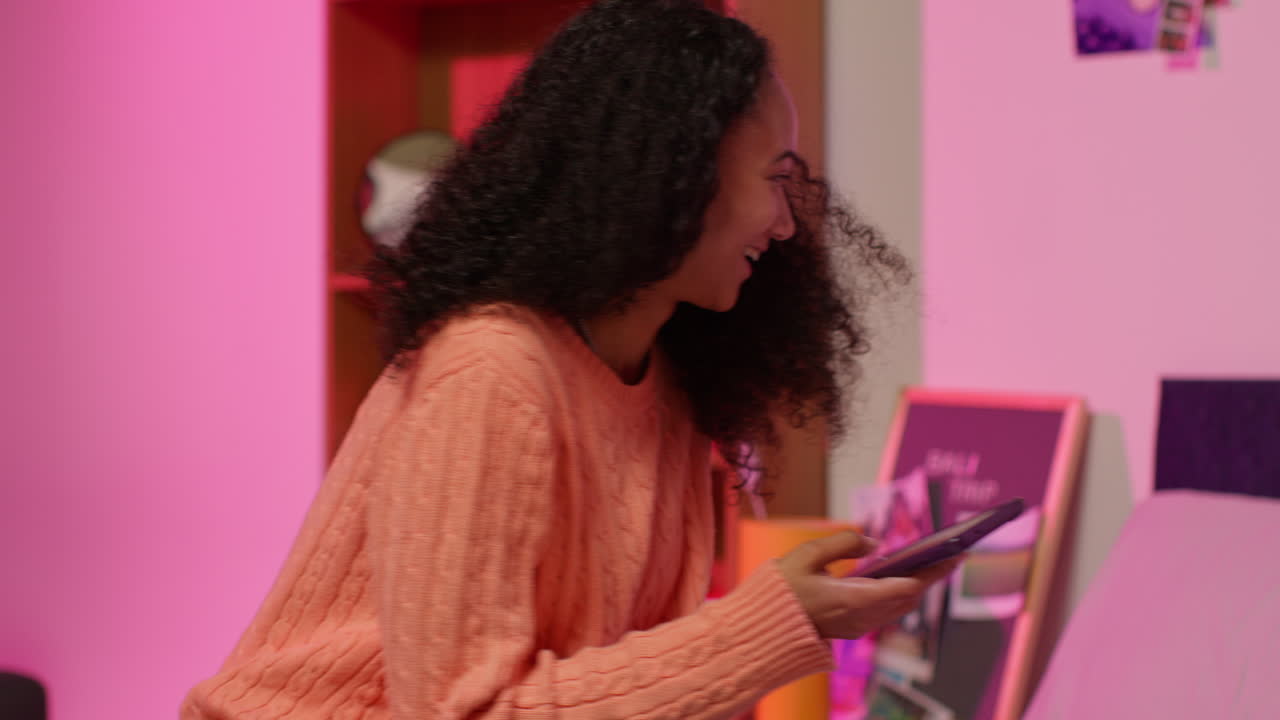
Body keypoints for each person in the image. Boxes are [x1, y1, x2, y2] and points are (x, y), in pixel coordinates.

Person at [181, 1, 959, 717]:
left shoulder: (670, 387)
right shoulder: (489, 372)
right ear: (672, 173)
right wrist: (768, 626)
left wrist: (785, 625)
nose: (787, 225)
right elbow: (467, 712)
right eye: (774, 180)